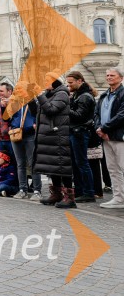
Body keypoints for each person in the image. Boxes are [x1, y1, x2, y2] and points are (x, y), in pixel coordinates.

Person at [33, 73, 74, 208]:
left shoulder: (62, 93)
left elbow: (51, 110)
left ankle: (69, 197)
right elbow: (39, 112)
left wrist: (40, 95)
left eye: (47, 80)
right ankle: (56, 194)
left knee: (63, 165)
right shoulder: (49, 94)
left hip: (58, 135)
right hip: (48, 135)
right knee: (53, 166)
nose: (44, 82)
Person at [65, 70, 97, 204]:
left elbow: (79, 116)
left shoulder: (84, 96)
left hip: (80, 132)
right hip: (76, 131)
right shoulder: (79, 95)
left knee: (82, 163)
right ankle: (80, 191)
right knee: (77, 163)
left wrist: (66, 107)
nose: (69, 85)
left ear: (80, 81)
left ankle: (88, 192)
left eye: (71, 83)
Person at [95, 66, 124, 209]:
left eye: (112, 75)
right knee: (112, 169)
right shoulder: (103, 95)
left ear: (121, 78)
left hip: (119, 136)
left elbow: (122, 115)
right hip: (106, 137)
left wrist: (105, 128)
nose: (109, 78)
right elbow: (96, 114)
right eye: (107, 75)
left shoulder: (123, 93)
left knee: (122, 167)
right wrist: (98, 128)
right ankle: (118, 198)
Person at [9, 82, 41, 200]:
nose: (18, 91)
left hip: (29, 135)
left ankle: (37, 190)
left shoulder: (33, 101)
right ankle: (23, 189)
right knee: (20, 163)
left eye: (20, 89)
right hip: (16, 134)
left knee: (33, 163)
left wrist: (35, 124)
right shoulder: (14, 102)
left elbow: (37, 114)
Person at [0, 82, 15, 157]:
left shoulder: (15, 102)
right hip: (0, 137)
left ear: (9, 91)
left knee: (13, 161)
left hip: (11, 137)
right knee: (3, 161)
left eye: (1, 91)